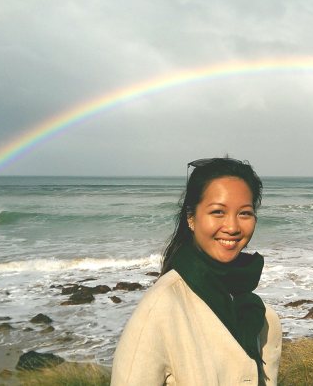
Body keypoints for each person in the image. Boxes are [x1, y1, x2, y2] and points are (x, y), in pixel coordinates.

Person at [111, 158, 281, 385]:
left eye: (244, 213)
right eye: (218, 212)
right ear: (191, 218)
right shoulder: (162, 306)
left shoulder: (257, 312)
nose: (232, 227)